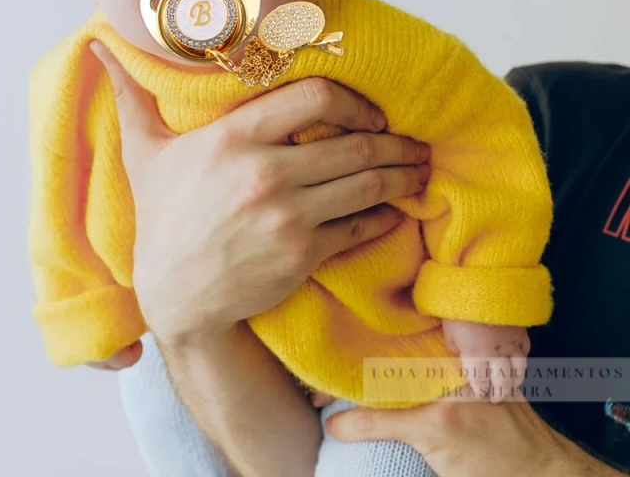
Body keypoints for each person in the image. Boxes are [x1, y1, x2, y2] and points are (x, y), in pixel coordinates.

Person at [0, 0, 556, 475]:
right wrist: (87, 309)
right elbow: (59, 199)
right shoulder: (83, 73)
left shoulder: (364, 45)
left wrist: (481, 294)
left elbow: (486, 144)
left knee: (386, 461)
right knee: (150, 386)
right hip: (201, 336)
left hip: (378, 344)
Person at [102, 58, 629, 476]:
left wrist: (544, 466)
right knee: (156, 356)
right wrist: (189, 322)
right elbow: (296, 462)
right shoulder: (564, 115)